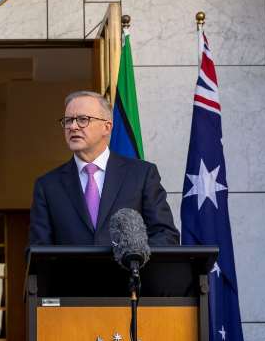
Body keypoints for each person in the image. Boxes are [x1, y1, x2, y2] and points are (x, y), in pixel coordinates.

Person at [29, 90, 179, 246]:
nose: (73, 127)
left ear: (107, 127)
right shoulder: (47, 185)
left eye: (82, 119)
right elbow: (39, 250)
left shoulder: (141, 174)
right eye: (68, 121)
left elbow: (166, 235)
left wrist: (134, 258)